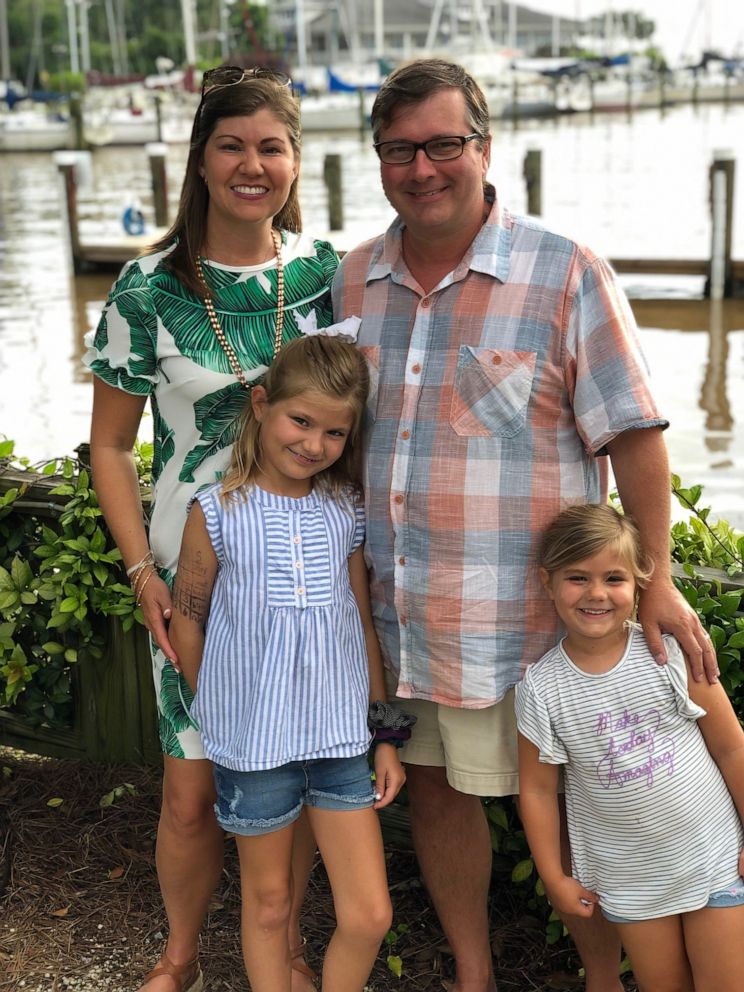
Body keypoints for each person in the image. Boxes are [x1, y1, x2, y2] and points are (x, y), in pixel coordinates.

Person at [331, 57, 717, 992]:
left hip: (539, 630)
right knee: (434, 793)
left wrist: (655, 578)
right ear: (378, 159)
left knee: (589, 802)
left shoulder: (564, 270)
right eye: (398, 150)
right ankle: (474, 974)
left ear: (484, 145)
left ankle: (599, 975)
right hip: (406, 617)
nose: (422, 168)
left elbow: (634, 435)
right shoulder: (351, 283)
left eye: (443, 145)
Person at [85, 66, 340, 992]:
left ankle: (287, 948)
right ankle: (181, 955)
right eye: (231, 144)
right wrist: (139, 574)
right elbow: (111, 447)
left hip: (302, 577)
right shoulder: (147, 289)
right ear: (199, 159)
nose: (251, 164)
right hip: (188, 587)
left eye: (271, 146)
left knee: (299, 784)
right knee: (192, 796)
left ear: (294, 161)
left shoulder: (323, 273)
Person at [170, 333, 408, 992]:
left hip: (338, 740)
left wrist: (384, 734)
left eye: (335, 432)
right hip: (254, 749)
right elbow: (188, 618)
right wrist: (220, 704)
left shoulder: (344, 512)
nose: (313, 443)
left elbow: (361, 623)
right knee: (270, 904)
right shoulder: (216, 511)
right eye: (300, 421)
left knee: (369, 913)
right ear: (261, 404)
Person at [517, 503, 744, 991]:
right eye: (577, 578)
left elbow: (732, 748)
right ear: (547, 581)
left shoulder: (671, 656)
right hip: (630, 880)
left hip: (716, 858)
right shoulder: (541, 688)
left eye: (613, 578)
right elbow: (536, 790)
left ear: (641, 580)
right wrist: (554, 876)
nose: (596, 593)